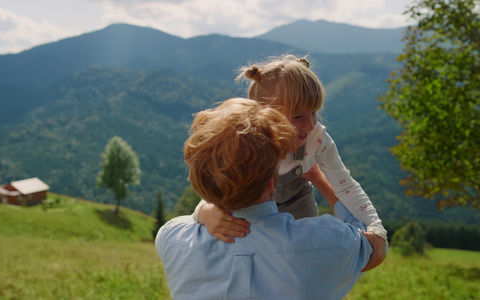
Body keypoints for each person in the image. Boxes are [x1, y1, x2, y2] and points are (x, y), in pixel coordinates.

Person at [155, 98, 373, 299]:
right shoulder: (330, 240)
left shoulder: (171, 238)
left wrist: (203, 210)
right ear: (272, 183)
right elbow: (368, 233)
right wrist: (317, 177)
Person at [193, 54, 387, 271]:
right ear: (262, 113)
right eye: (297, 117)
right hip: (249, 201)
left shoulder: (316, 138)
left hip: (298, 198)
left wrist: (376, 228)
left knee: (305, 257)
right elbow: (218, 189)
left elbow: (345, 184)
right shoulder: (245, 142)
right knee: (245, 252)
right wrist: (204, 211)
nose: (311, 124)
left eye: (314, 113)